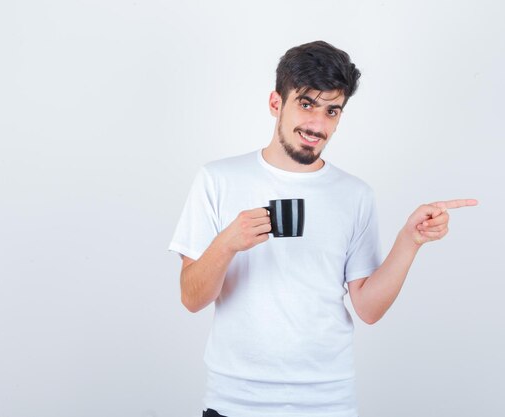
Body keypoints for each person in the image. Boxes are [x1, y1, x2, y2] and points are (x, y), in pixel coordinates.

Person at [168, 40, 477, 417]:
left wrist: (409, 241)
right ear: (275, 103)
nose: (318, 124)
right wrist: (227, 244)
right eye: (306, 103)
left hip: (327, 403)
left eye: (332, 110)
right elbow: (191, 298)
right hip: (236, 402)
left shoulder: (354, 194)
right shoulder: (217, 179)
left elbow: (368, 308)